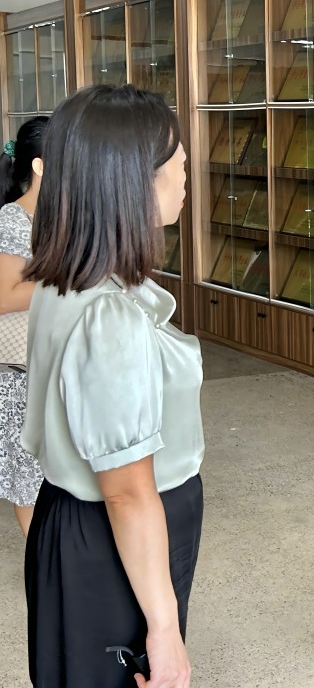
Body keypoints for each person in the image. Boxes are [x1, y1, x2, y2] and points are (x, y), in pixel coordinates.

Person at [20, 84, 204, 688]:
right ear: (132, 182)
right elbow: (126, 492)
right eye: (177, 163)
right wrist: (165, 629)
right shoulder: (110, 317)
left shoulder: (66, 279)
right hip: (114, 537)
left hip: (78, 523)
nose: (186, 174)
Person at [0, 118, 47, 535]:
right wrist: (68, 275)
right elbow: (6, 297)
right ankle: (42, 562)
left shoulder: (68, 218)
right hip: (23, 374)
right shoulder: (11, 221)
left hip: (62, 365)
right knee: (30, 481)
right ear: (40, 166)